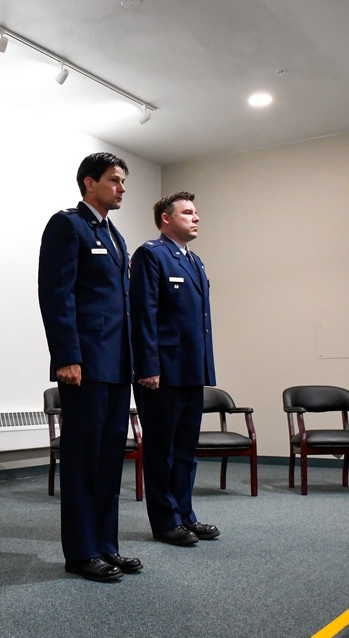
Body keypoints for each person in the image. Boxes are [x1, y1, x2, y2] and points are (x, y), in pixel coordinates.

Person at [38, 152, 142, 583]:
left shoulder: (115, 235)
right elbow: (55, 293)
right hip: (84, 363)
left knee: (108, 460)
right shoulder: (68, 225)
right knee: (83, 460)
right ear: (89, 183)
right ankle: (81, 552)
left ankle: (106, 545)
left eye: (123, 181)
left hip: (117, 364)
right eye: (114, 180)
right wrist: (66, 356)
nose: (121, 188)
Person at [130, 192, 218, 547]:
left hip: (191, 370)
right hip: (161, 373)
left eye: (196, 212)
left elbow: (201, 323)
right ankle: (165, 521)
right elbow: (143, 315)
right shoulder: (151, 254)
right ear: (166, 219)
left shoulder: (194, 262)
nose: (195, 218)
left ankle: (185, 515)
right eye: (187, 212)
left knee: (185, 450)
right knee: (161, 450)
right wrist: (148, 366)